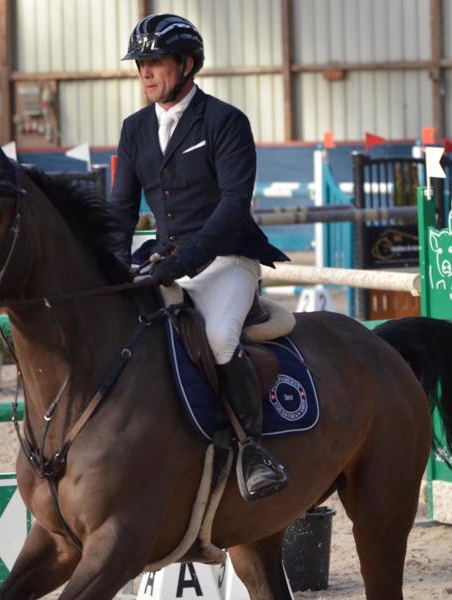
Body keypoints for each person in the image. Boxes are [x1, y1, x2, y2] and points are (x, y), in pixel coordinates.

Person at [110, 14, 291, 501]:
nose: (145, 73)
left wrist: (187, 260)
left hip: (226, 259)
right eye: (140, 64)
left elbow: (234, 205)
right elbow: (120, 210)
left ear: (187, 64)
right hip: (165, 257)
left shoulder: (224, 121)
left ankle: (252, 449)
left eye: (155, 62)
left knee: (215, 337)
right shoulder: (134, 130)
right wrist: (109, 262)